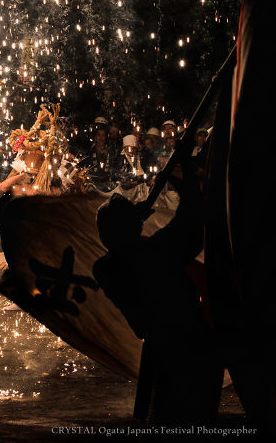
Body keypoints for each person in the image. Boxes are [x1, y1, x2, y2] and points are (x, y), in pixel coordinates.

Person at [93, 158, 221, 424]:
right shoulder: (154, 252)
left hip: (163, 343)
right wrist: (185, 187)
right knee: (188, 419)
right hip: (188, 342)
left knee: (167, 417)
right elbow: (193, 222)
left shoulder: (107, 267)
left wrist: (131, 223)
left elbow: (123, 249)